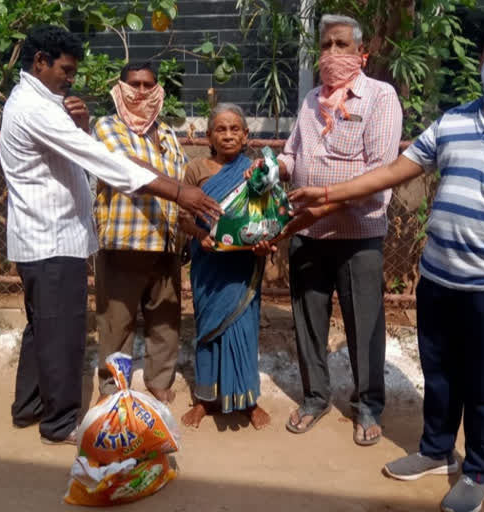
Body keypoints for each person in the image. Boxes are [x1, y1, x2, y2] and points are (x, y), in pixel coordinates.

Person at [289, 4, 484, 511]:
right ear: (479, 59)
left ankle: (477, 470)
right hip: (438, 275)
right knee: (440, 373)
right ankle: (434, 450)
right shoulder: (456, 120)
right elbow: (394, 171)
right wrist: (329, 194)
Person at [0, 25, 221, 445]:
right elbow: (107, 163)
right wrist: (179, 191)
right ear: (40, 62)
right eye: (65, 69)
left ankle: (28, 407)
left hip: (51, 238)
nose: (70, 78)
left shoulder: (38, 103)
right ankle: (59, 425)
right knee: (63, 333)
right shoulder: (36, 108)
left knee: (41, 330)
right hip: (51, 240)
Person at [249, 14, 403, 445]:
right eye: (325, 45)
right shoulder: (312, 99)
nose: (331, 54)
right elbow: (295, 156)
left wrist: (323, 200)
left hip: (358, 235)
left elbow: (380, 176)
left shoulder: (380, 98)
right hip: (308, 234)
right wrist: (271, 169)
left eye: (341, 45)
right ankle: (316, 397)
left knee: (365, 324)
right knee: (308, 322)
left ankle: (368, 405)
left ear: (361, 54)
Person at [92, 62, 186, 404]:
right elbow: (127, 166)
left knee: (165, 320)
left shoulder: (167, 135)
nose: (142, 92)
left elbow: (182, 176)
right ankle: (113, 386)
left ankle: (159, 380)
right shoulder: (106, 128)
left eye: (149, 84)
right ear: (120, 87)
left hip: (165, 243)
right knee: (117, 323)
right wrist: (180, 191)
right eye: (135, 84)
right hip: (123, 243)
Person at [179, 103, 272, 430]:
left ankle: (248, 401)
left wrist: (264, 243)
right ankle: (205, 400)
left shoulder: (257, 171)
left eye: (235, 129)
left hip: (243, 266)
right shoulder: (196, 170)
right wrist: (201, 235)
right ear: (209, 136)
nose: (228, 135)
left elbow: (267, 217)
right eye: (221, 129)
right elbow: (183, 218)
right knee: (207, 329)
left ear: (246, 135)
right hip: (209, 265)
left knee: (244, 329)